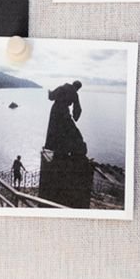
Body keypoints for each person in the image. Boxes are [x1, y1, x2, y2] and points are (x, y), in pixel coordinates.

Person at [40, 80, 93, 208]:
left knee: (57, 133)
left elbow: (51, 96)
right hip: (63, 113)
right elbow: (77, 109)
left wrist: (49, 92)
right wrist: (75, 116)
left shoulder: (62, 87)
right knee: (72, 133)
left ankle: (60, 151)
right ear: (77, 87)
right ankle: (72, 150)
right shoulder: (74, 93)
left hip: (55, 112)